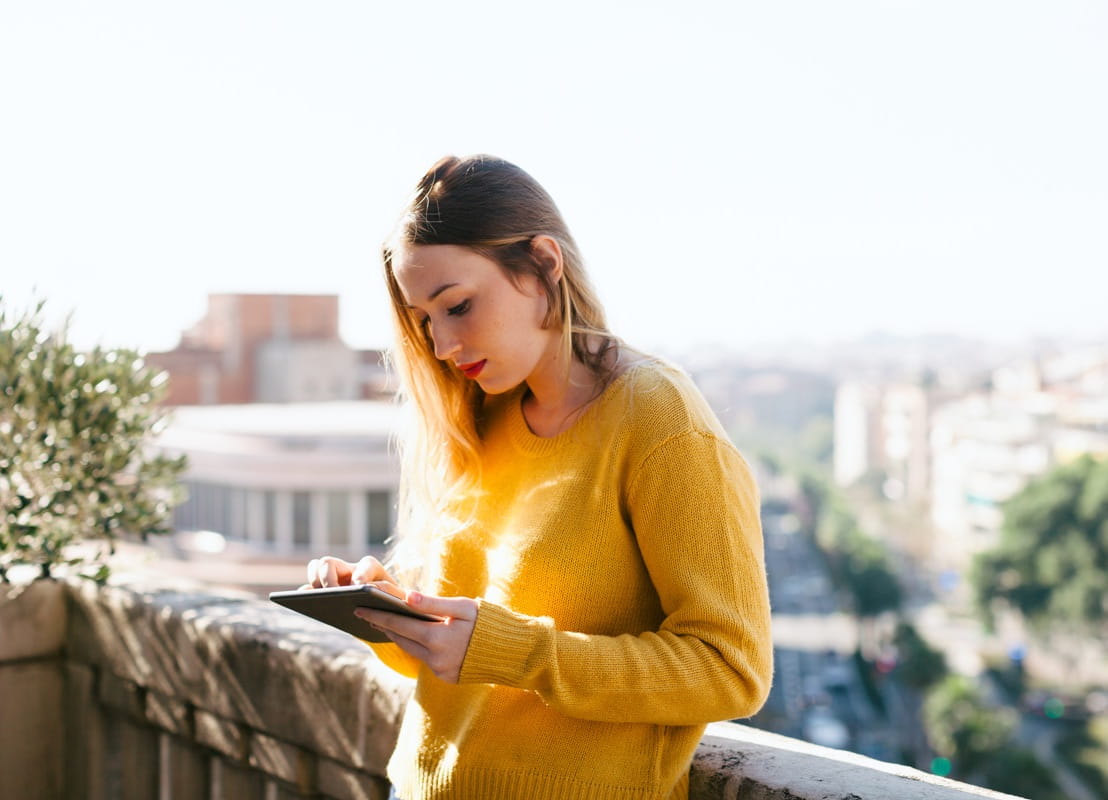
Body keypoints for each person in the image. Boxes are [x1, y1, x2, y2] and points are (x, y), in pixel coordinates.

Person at [304, 154, 773, 800]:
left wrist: (516, 651)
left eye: (458, 305)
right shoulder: (478, 418)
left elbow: (732, 668)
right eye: (425, 322)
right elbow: (467, 660)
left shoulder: (657, 417)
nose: (441, 345)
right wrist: (389, 608)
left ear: (545, 265)